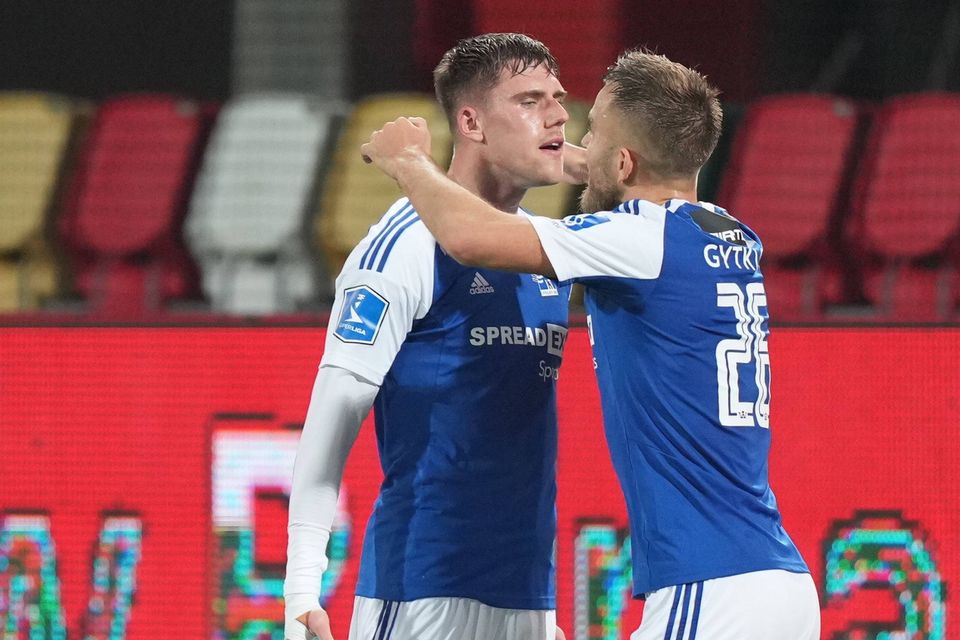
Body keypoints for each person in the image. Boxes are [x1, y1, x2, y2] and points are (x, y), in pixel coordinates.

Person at [361, 49, 821, 640]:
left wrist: (408, 162)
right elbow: (636, 176)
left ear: (624, 160)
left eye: (593, 132)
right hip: (779, 582)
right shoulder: (728, 233)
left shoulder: (635, 240)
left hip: (712, 590)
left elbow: (470, 237)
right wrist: (593, 162)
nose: (577, 141)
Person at [284, 33, 574, 640]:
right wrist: (301, 590)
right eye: (529, 101)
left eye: (558, 98)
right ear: (470, 122)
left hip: (529, 598)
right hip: (420, 594)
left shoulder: (546, 249)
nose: (557, 115)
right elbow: (332, 419)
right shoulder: (405, 244)